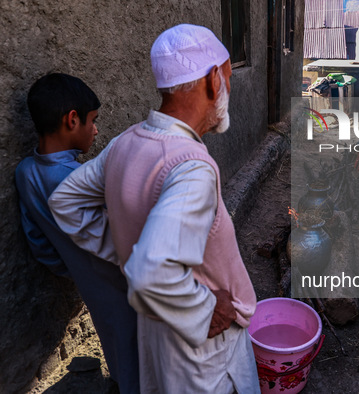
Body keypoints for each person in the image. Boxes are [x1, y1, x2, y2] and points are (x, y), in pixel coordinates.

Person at [49, 25, 259, 393]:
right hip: (204, 351)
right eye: (228, 75)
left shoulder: (125, 143)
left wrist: (123, 249)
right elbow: (152, 273)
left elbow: (65, 202)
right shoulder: (190, 167)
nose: (229, 86)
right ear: (213, 80)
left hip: (157, 330)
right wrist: (204, 309)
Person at [15, 73, 139, 393]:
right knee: (144, 360)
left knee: (120, 357)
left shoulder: (25, 173)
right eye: (93, 121)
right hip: (129, 288)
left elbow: (39, 245)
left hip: (93, 290)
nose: (96, 130)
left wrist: (77, 268)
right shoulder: (82, 182)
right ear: (72, 120)